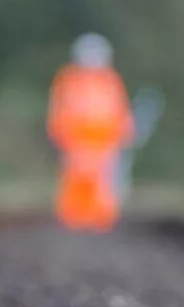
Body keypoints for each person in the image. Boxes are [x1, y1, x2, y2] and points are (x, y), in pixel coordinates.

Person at [47, 33, 134, 232]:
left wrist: (124, 131)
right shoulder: (68, 80)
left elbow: (119, 109)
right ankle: (73, 222)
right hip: (76, 144)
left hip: (104, 144)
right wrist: (60, 134)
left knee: (102, 187)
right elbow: (58, 110)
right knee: (76, 184)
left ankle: (101, 222)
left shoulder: (111, 81)